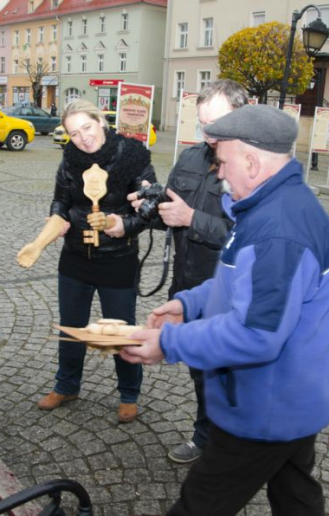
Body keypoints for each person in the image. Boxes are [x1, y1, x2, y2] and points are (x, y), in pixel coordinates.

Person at [121, 105, 329, 515]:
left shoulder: (279, 229)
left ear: (253, 162)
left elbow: (257, 334)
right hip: (294, 396)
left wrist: (168, 342)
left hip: (265, 406)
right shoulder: (271, 205)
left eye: (222, 162)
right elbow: (242, 285)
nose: (218, 172)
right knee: (296, 497)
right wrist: (190, 304)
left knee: (200, 506)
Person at [127, 79, 245, 464]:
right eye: (203, 125)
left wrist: (192, 218)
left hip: (228, 293)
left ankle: (231, 444)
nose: (209, 135)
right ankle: (206, 436)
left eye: (217, 125)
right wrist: (151, 203)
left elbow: (246, 239)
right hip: (188, 285)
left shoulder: (250, 169)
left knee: (228, 371)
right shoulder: (191, 158)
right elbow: (170, 216)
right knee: (201, 370)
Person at [17, 99, 156, 424]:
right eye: (74, 133)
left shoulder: (132, 155)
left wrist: (121, 225)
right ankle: (66, 386)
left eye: (88, 128)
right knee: (71, 328)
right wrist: (46, 234)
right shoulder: (71, 159)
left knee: (120, 331)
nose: (84, 138)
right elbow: (61, 201)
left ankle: (128, 394)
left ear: (101, 122)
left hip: (118, 259)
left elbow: (149, 208)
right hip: (75, 258)